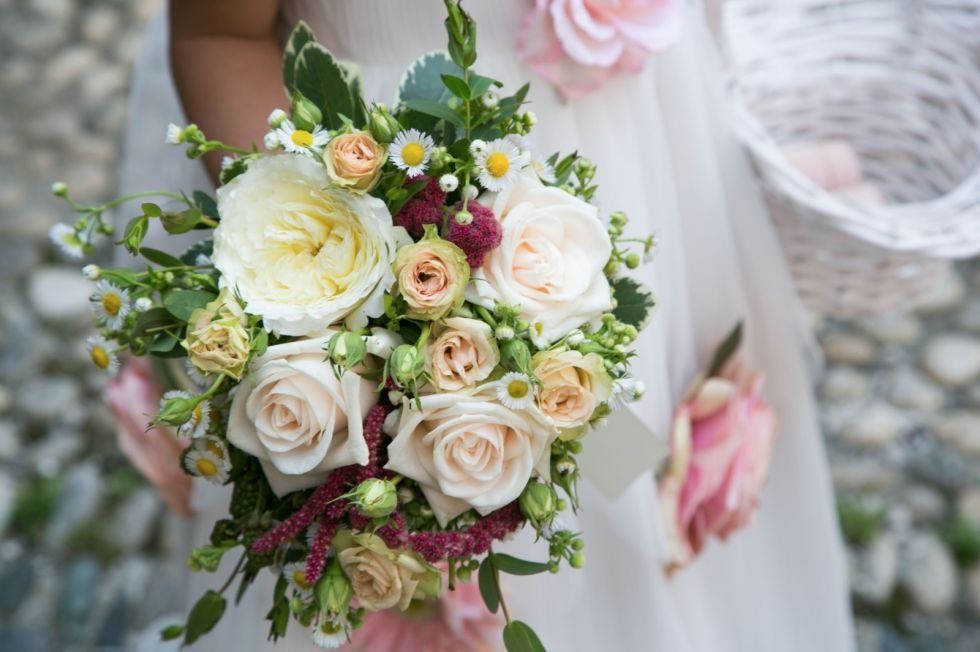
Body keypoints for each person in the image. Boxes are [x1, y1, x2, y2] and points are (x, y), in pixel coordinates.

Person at [119, 0, 855, 649]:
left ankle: (650, 569)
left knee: (629, 445)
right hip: (382, 193)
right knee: (455, 497)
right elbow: (219, 34)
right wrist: (362, 296)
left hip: (637, 153)